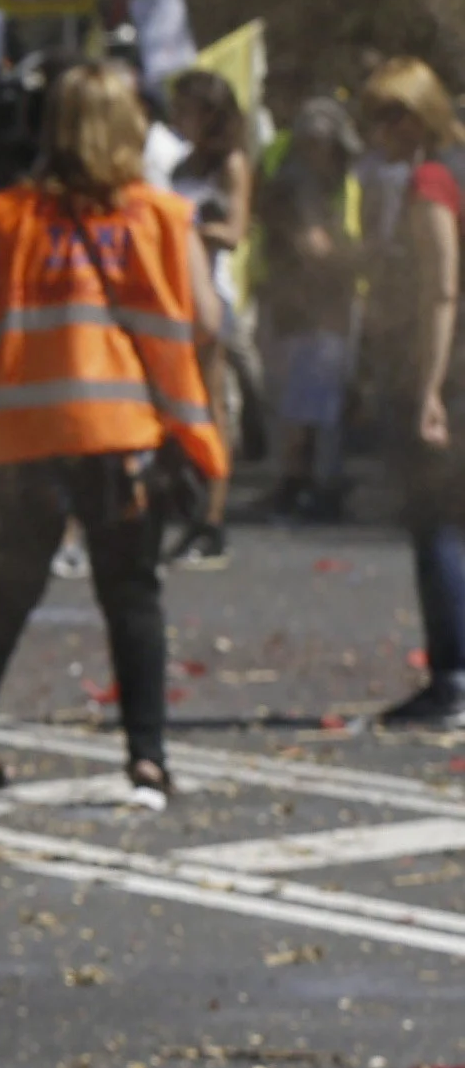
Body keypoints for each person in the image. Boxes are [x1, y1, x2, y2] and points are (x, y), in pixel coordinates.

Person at [0, 64, 222, 801]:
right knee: (131, 593)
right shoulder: (160, 215)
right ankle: (146, 757)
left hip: (25, 441)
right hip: (121, 434)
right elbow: (207, 324)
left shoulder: (12, 214)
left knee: (11, 585)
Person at [358, 62, 465, 731]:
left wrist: (427, 388)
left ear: (411, 117)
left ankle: (453, 677)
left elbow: (441, 289)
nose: (373, 135)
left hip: (451, 367)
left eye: (381, 118)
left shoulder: (432, 179)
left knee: (440, 521)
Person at [158, 67, 252, 565]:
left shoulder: (230, 164)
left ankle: (212, 519)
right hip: (175, 293)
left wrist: (186, 228)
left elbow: (235, 231)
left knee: (211, 402)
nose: (176, 117)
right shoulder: (180, 166)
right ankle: (187, 501)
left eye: (185, 108)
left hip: (211, 292)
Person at [259, 94, 361, 522]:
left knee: (326, 399)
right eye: (309, 143)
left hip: (335, 300)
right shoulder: (289, 182)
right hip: (296, 302)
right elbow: (304, 243)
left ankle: (321, 484)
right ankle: (297, 481)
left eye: (323, 143)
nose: (315, 151)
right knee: (295, 400)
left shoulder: (349, 180)